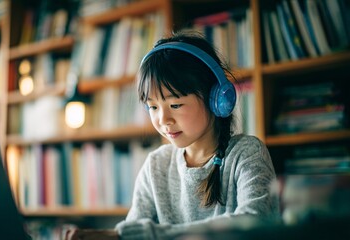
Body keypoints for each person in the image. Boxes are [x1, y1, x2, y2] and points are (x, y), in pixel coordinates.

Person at [65, 30, 280, 240]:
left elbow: (254, 225)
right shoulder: (156, 166)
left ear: (217, 98)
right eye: (153, 107)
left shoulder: (247, 154)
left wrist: (143, 235)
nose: (163, 120)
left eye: (175, 104)